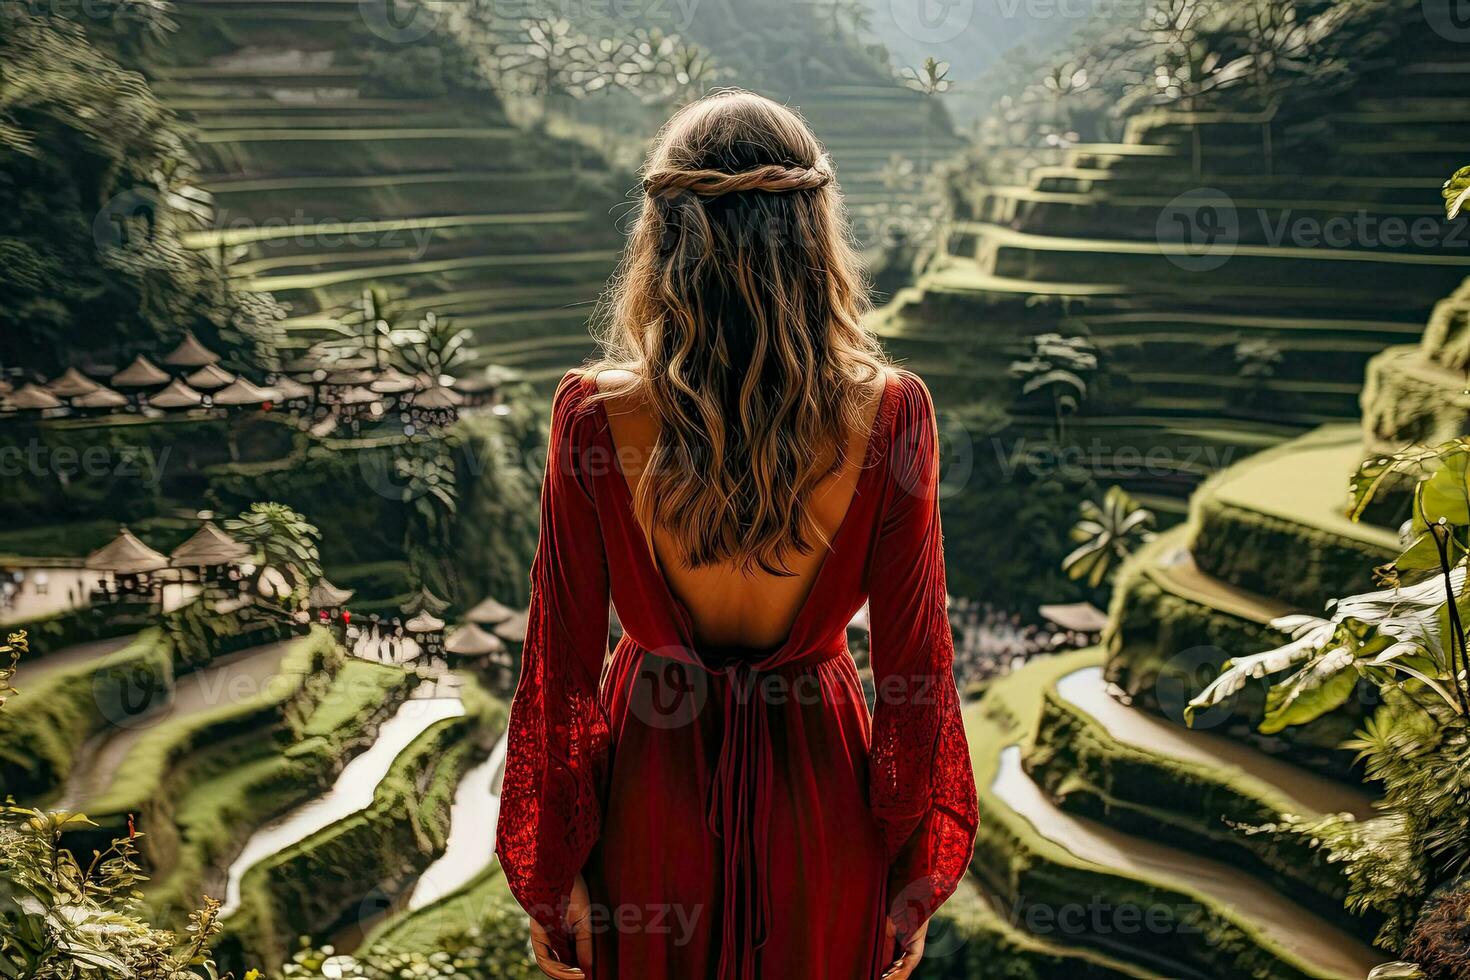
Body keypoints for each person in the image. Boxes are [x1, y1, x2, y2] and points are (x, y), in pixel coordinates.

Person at [496, 89, 978, 980]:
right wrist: (910, 876)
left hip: (651, 788)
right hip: (820, 802)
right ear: (815, 235)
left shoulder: (594, 417)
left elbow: (560, 663)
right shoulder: (892, 415)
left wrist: (553, 870)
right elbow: (916, 673)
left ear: (663, 238)